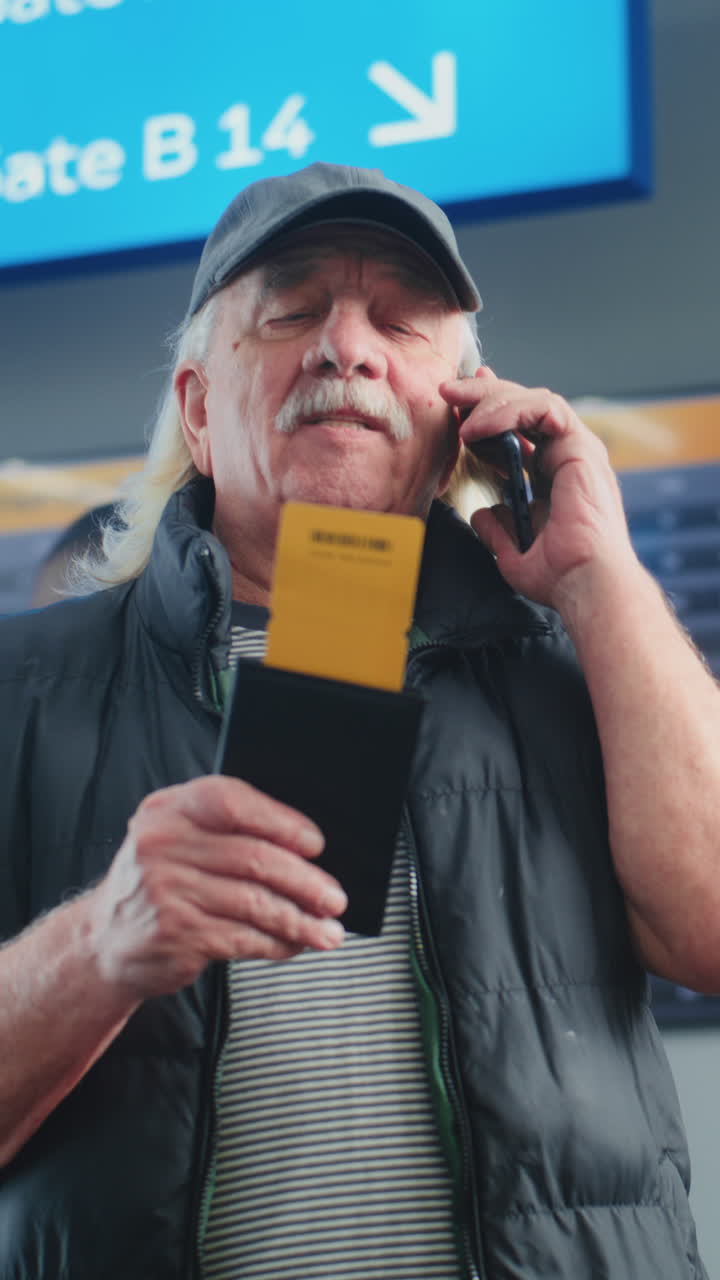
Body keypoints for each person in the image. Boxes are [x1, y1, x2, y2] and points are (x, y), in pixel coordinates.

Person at [0, 161, 716, 1280]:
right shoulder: (23, 687)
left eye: (401, 319)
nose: (345, 345)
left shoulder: (576, 667)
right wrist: (98, 944)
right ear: (196, 404)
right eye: (292, 308)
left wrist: (601, 577)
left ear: (464, 413)